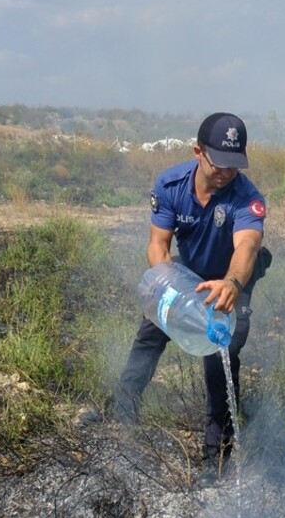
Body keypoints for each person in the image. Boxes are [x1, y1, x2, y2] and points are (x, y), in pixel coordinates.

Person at [113, 112, 271, 481]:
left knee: (222, 352)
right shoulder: (170, 186)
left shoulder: (248, 199)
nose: (227, 174)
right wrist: (166, 291)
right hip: (186, 274)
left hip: (233, 279)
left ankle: (216, 456)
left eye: (235, 166)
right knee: (151, 330)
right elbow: (158, 245)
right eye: (220, 165)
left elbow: (246, 249)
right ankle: (122, 412)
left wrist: (231, 285)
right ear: (198, 152)